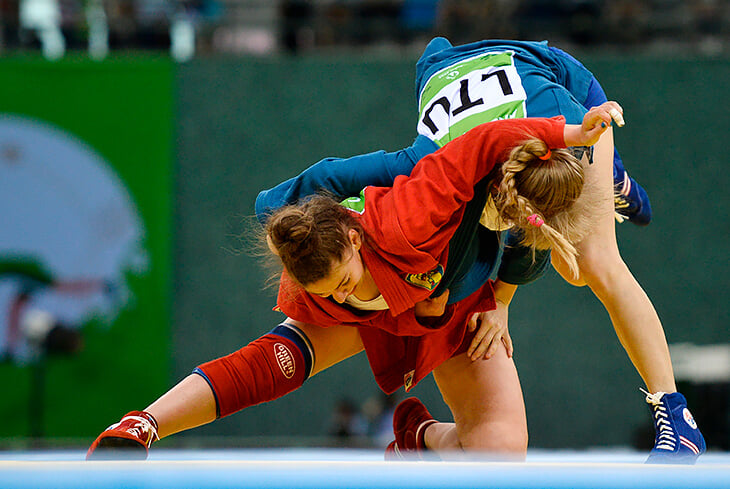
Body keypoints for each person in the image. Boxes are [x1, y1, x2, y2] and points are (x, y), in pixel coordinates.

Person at [254, 37, 704, 463]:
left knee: (593, 265)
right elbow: (329, 175)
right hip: (457, 77)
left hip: (568, 93)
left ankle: (677, 417)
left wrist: (502, 302)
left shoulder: (565, 123)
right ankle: (614, 183)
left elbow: (537, 227)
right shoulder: (424, 167)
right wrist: (274, 213)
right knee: (574, 260)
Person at [87, 105, 621, 462]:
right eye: (329, 294)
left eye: (344, 281)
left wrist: (570, 133)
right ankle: (143, 423)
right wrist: (335, 289)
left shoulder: (413, 206)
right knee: (275, 362)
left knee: (501, 458)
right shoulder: (318, 270)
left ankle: (420, 436)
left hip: (455, 305)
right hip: (392, 305)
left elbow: (486, 139)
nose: (342, 296)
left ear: (356, 238)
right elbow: (276, 214)